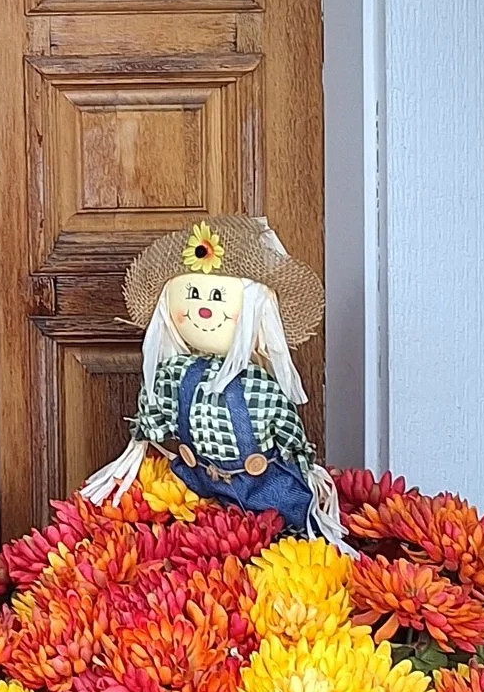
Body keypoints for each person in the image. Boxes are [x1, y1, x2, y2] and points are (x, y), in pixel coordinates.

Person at [83, 214, 345, 545]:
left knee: (287, 529)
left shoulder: (258, 385)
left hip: (261, 484)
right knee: (182, 537)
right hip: (196, 479)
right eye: (191, 294)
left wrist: (305, 464)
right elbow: (154, 411)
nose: (203, 308)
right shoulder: (174, 374)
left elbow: (288, 430)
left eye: (218, 297)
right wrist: (142, 438)